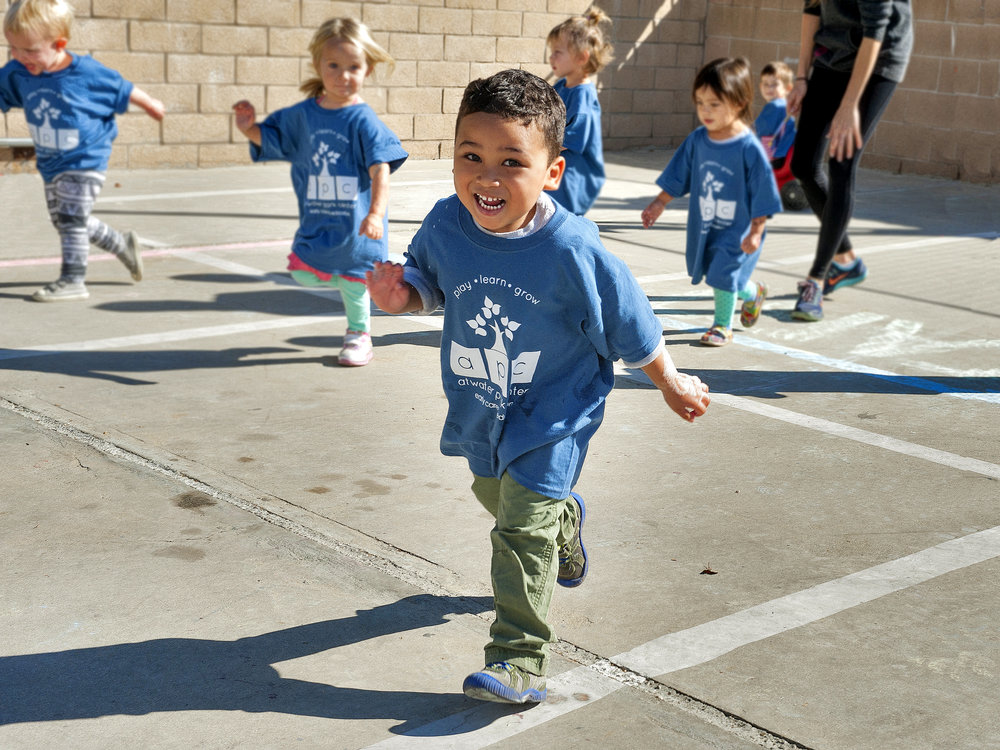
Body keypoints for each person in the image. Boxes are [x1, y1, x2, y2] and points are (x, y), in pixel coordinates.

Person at [366, 69, 710, 705]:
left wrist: (671, 382)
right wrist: (402, 295)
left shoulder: (573, 249)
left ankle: (519, 660)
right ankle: (563, 524)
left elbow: (631, 322)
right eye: (471, 156)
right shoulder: (448, 223)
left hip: (556, 409)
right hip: (482, 405)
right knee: (495, 494)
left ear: (551, 172)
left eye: (510, 162)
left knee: (519, 530)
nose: (487, 179)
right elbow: (426, 278)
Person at [233, 17, 407, 366]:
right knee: (302, 271)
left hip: (357, 223)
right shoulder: (302, 116)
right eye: (334, 66)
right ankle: (362, 280)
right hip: (320, 220)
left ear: (367, 70)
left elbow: (380, 169)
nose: (344, 75)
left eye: (353, 67)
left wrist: (375, 213)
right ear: (318, 65)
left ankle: (359, 336)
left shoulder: (364, 120)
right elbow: (273, 140)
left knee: (355, 278)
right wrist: (249, 128)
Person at [0, 0, 164, 302]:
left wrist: (151, 104)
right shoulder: (19, 72)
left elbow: (123, 89)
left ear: (59, 44)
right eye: (14, 48)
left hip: (87, 157)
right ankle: (121, 244)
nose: (21, 57)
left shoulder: (86, 72)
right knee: (66, 221)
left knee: (71, 218)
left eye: (31, 50)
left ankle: (73, 280)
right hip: (51, 162)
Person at [641, 57, 782, 347]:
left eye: (714, 104)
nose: (705, 110)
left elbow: (763, 190)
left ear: (739, 103)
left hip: (740, 228)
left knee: (722, 274)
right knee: (723, 276)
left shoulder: (748, 148)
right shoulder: (697, 141)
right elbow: (680, 174)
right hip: (707, 224)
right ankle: (753, 292)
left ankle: (722, 326)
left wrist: (756, 230)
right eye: (701, 102)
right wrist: (659, 203)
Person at [786, 0, 913, 322]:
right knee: (803, 164)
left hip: (879, 57)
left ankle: (816, 280)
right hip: (833, 53)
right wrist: (801, 77)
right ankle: (848, 261)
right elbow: (812, 10)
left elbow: (876, 32)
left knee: (842, 161)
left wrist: (850, 105)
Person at [545, 6, 613, 215]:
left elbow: (574, 138)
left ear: (582, 58)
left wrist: (538, 148)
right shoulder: (561, 86)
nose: (551, 58)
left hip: (574, 179)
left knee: (560, 219)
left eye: (558, 52)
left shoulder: (583, 95)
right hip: (559, 171)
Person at [754, 60, 797, 166]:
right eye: (766, 84)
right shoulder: (786, 105)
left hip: (773, 154)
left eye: (774, 84)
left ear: (788, 88)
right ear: (760, 86)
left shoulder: (774, 105)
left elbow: (760, 128)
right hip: (785, 151)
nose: (769, 88)